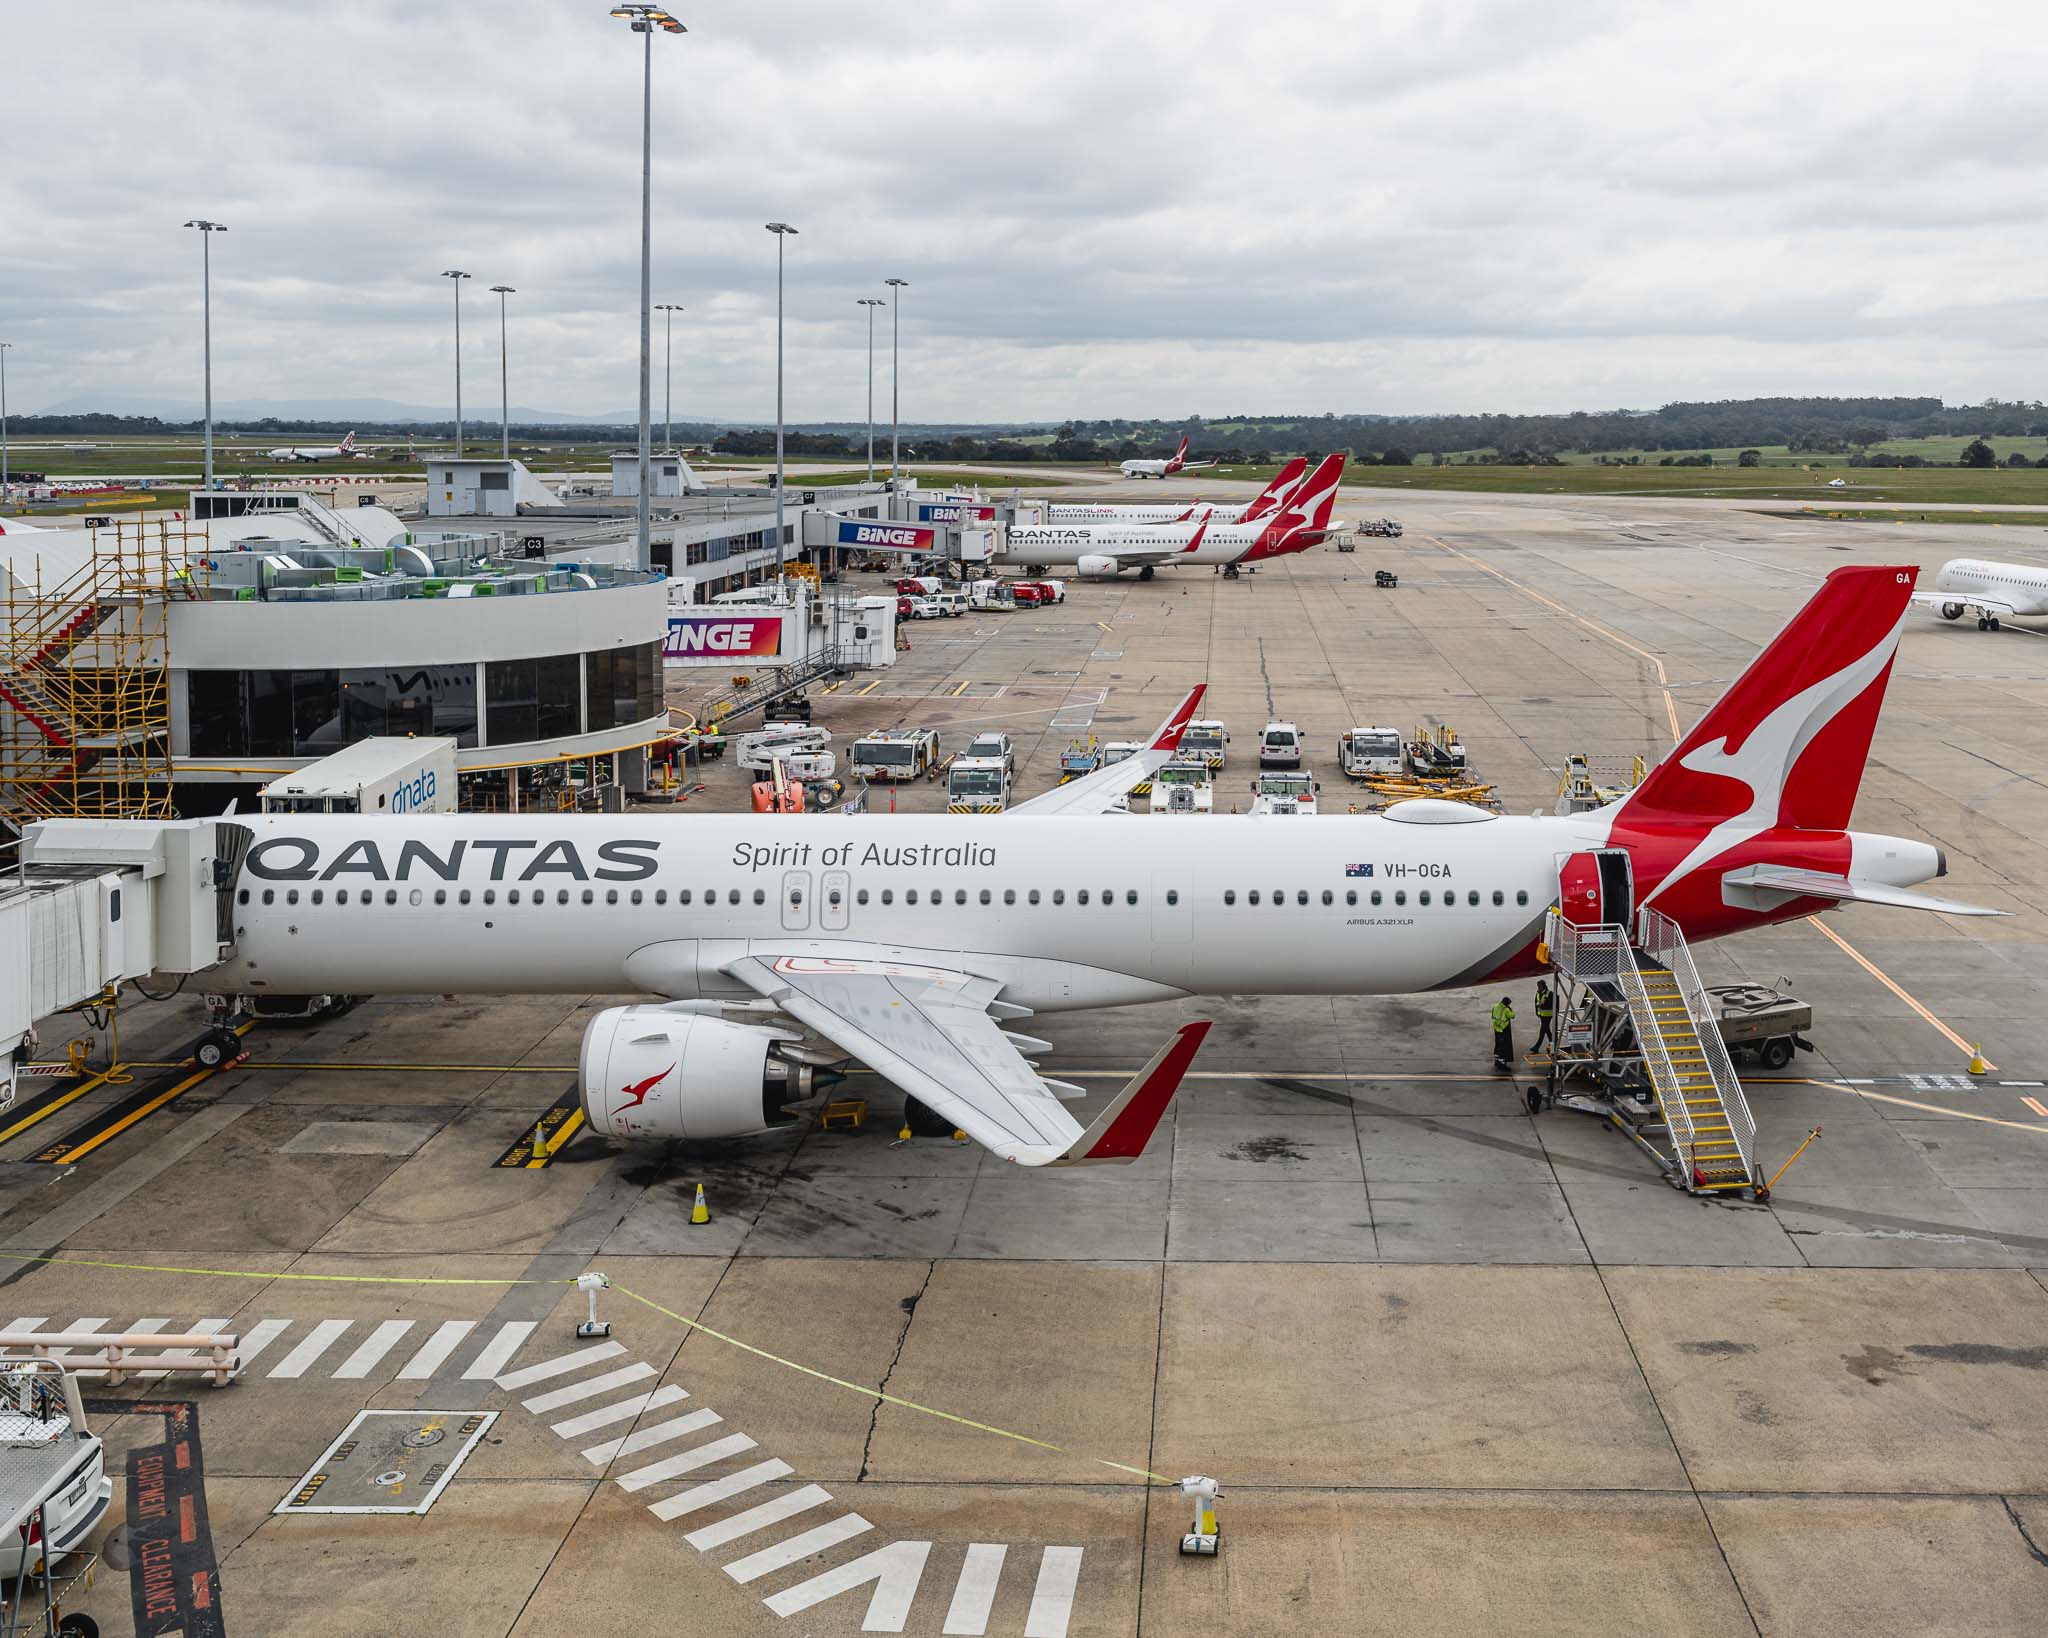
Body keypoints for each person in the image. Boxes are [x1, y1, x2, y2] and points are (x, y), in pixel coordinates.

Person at [1490, 994, 1516, 1072]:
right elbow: (1512, 1016)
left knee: (1497, 1045)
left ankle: (1497, 1061)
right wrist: (1511, 1010)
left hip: (1496, 1029)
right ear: (1507, 1004)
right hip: (1503, 1030)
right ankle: (1502, 1065)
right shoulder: (1506, 1009)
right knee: (1503, 1048)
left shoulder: (1495, 1006)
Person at [1533, 980, 1556, 1053]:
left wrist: (1541, 1005)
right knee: (1546, 1030)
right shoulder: (1538, 993)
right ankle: (1553, 1043)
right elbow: (1536, 1003)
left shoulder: (1549, 994)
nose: (1538, 987)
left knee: (1543, 1030)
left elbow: (1550, 1004)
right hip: (1542, 1015)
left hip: (1548, 1015)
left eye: (1539, 986)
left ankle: (1536, 1047)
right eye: (1538, 986)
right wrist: (1537, 1012)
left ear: (1543, 986)